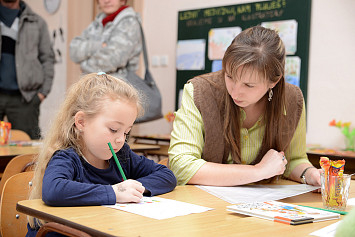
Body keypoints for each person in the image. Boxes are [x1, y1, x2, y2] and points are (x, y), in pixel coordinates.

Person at [26, 73, 177, 236]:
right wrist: (114, 192)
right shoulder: (67, 156)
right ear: (81, 122)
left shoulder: (122, 154)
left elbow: (166, 175)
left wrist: (134, 189)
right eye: (113, 129)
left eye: (126, 132)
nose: (120, 139)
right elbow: (54, 191)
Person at [169, 26, 321, 187]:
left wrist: (309, 174)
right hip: (206, 203)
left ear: (273, 82)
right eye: (229, 76)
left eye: (249, 85)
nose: (235, 92)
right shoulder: (198, 91)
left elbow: (293, 160)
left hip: (262, 204)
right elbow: (181, 165)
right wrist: (258, 171)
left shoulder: (292, 100)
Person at [0, 0, 55, 139]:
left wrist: (42, 93)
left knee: (28, 151)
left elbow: (47, 58)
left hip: (26, 99)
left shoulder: (37, 22)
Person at [69, 0, 142, 80]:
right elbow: (73, 50)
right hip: (95, 85)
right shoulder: (97, 23)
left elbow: (112, 60)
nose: (106, 1)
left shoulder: (129, 22)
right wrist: (99, 45)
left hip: (118, 87)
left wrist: (83, 66)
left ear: (122, 1)